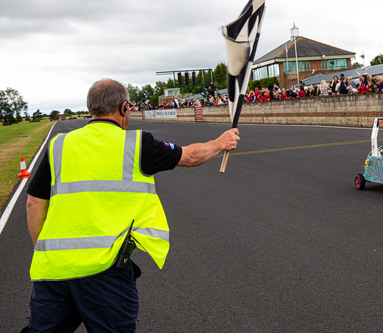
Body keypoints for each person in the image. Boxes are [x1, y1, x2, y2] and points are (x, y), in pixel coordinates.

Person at [21, 79, 239, 332]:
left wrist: (44, 249)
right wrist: (221, 143)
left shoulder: (59, 144)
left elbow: (33, 202)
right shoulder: (136, 144)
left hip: (52, 271)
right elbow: (189, 156)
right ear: (124, 107)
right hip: (104, 272)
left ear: (92, 108)